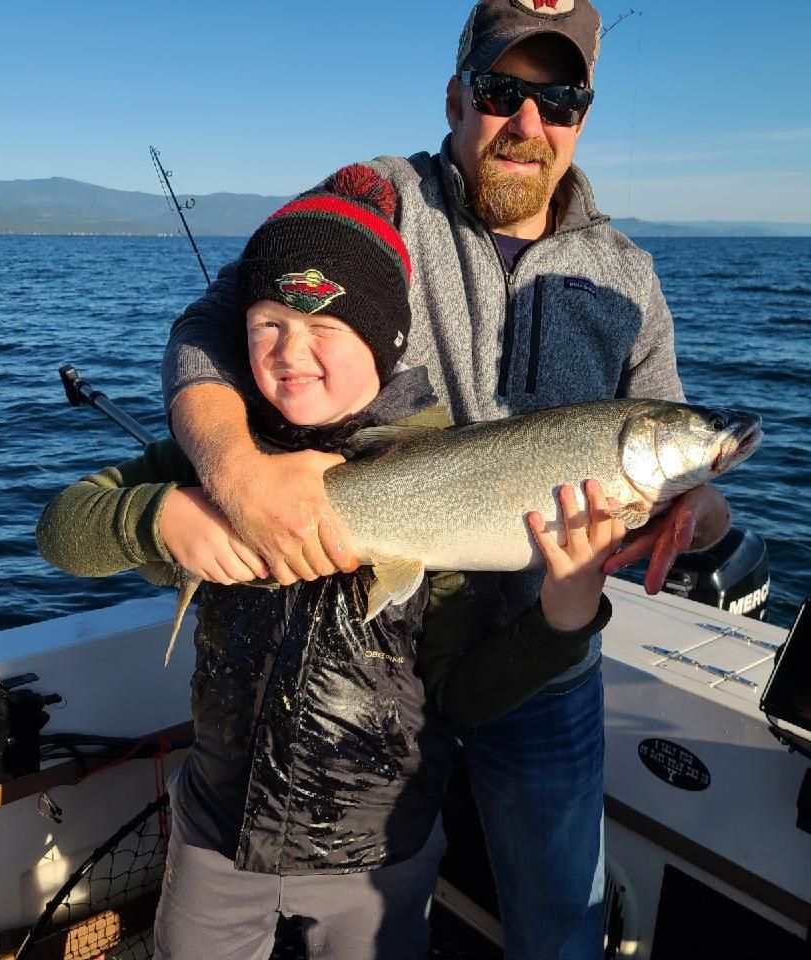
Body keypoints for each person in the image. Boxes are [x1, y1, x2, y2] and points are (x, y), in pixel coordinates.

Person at [160, 2, 733, 955]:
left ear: (583, 115)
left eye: (560, 100)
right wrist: (235, 476)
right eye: (504, 91)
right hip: (374, 661)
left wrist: (701, 506)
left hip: (544, 665)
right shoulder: (373, 197)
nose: (528, 124)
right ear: (458, 92)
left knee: (558, 931)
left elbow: (670, 440)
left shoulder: (629, 275)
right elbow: (208, 330)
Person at [36, 165, 626, 960]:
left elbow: (462, 692)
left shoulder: (442, 470)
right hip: (216, 834)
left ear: (385, 338)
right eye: (267, 323)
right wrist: (163, 517)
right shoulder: (211, 459)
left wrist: (565, 614)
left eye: (327, 330)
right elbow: (61, 530)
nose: (291, 353)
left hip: (379, 857)